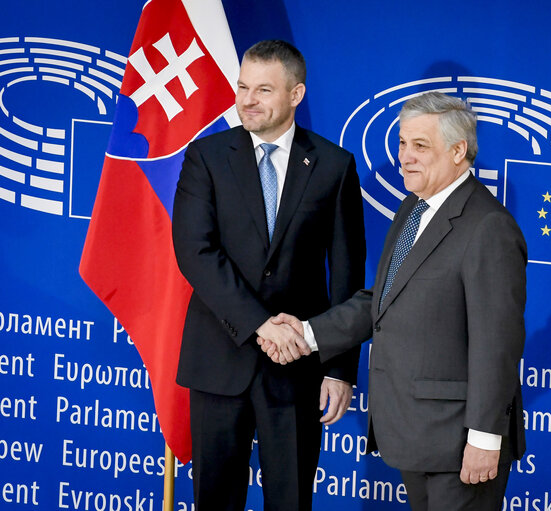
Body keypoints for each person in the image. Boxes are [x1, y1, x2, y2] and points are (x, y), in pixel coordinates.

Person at [260, 92, 527, 510]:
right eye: (403, 143)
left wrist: (484, 438)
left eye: (420, 146)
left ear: (459, 151)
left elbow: (497, 345)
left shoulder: (488, 226)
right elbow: (381, 301)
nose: (405, 156)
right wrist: (307, 334)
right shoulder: (413, 208)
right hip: (415, 435)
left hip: (459, 443)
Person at [171, 40, 366, 511]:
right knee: (215, 500)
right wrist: (261, 324)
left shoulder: (334, 166)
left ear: (296, 94)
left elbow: (346, 272)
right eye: (242, 87)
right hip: (220, 358)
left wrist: (339, 370)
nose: (247, 100)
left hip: (296, 366)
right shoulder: (206, 156)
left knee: (291, 501)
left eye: (263, 90)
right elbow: (195, 252)